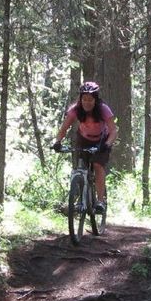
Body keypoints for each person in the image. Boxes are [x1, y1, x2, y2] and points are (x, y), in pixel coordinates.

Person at [51, 81, 117, 213]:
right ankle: (81, 198)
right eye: (84, 99)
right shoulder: (75, 110)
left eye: (90, 100)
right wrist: (58, 142)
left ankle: (100, 201)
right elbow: (64, 128)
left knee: (98, 165)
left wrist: (107, 144)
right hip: (83, 139)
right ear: (80, 99)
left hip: (101, 140)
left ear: (95, 100)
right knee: (80, 166)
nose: (87, 102)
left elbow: (113, 130)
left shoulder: (103, 109)